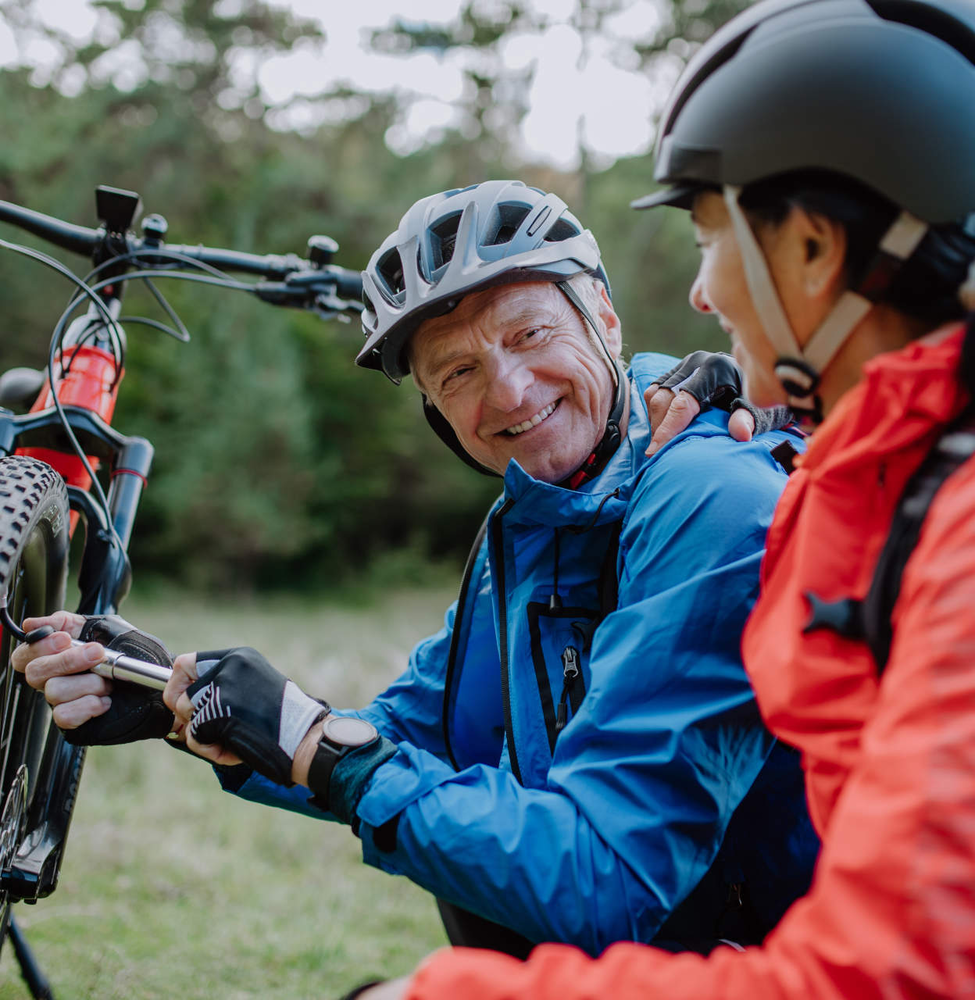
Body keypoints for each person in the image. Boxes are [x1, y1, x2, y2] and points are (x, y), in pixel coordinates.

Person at [13, 180, 816, 960]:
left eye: (530, 334)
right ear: (437, 412)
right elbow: (411, 734)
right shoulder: (528, 526)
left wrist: (315, 745)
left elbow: (610, 881)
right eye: (457, 372)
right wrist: (174, 705)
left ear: (604, 316)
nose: (509, 390)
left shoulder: (707, 495)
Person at [349, 0, 975, 996]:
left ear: (811, 253)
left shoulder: (950, 542)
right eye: (454, 374)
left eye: (709, 238)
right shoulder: (893, 479)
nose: (699, 294)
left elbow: (890, 973)